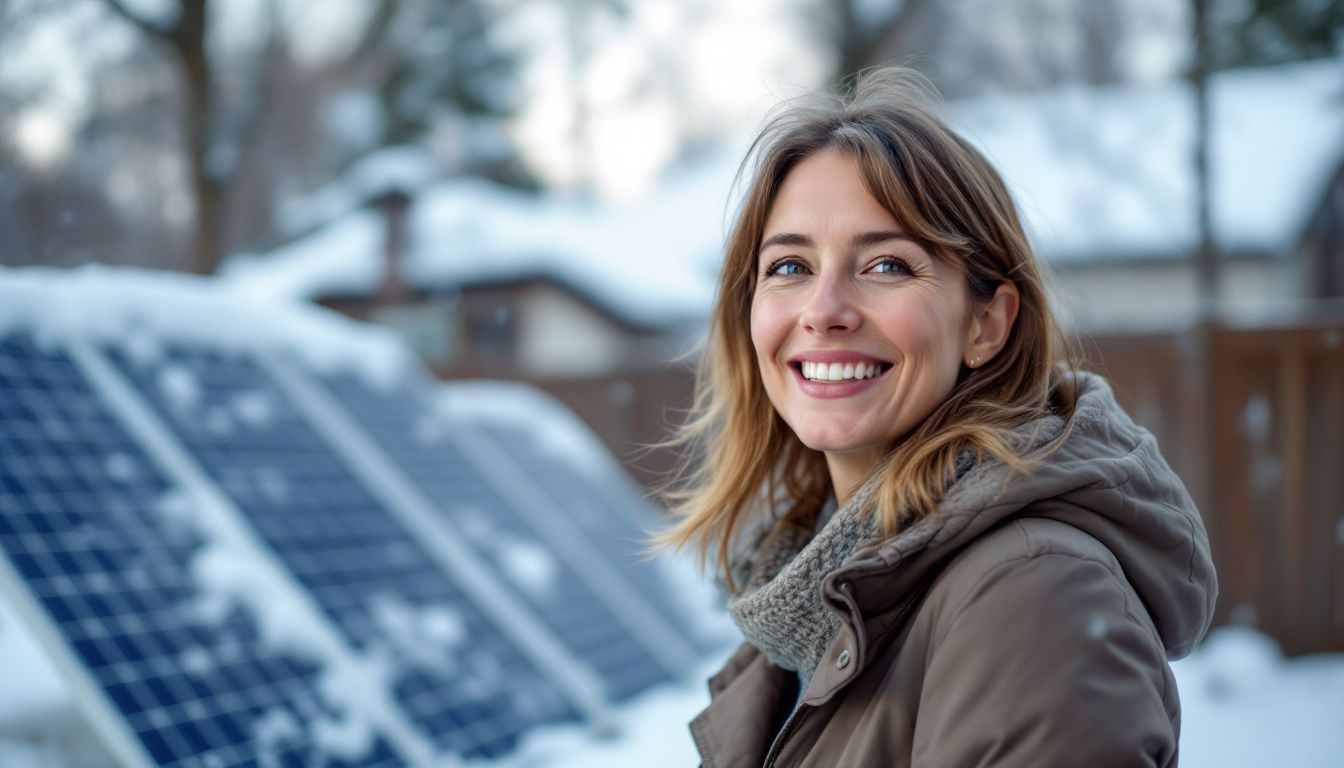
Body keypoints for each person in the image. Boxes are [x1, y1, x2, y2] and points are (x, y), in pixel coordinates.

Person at [654, 68, 1218, 767]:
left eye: (887, 264)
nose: (823, 310)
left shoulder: (1033, 593)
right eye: (790, 267)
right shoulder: (811, 598)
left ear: (986, 322)